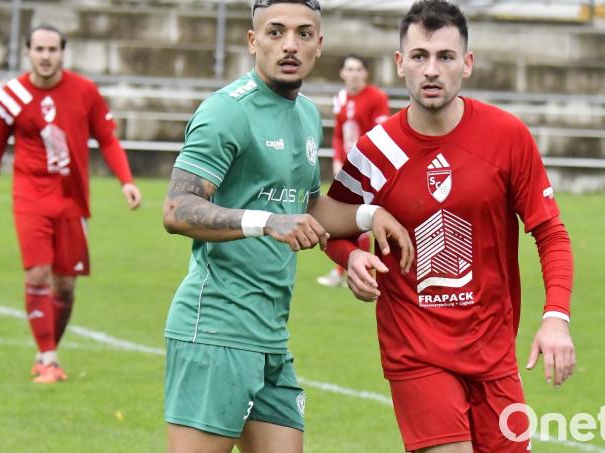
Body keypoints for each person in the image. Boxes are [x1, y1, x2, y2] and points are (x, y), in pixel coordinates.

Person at [324, 1, 576, 452]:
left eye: (446, 57)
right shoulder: (375, 151)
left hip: (493, 350)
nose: (432, 70)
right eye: (419, 56)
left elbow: (550, 232)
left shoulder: (507, 136)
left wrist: (556, 318)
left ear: (468, 64)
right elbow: (329, 221)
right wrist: (351, 255)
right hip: (415, 349)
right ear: (401, 64)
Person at [161, 1, 412, 452]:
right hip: (217, 329)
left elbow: (309, 207)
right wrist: (266, 222)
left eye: (303, 33)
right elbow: (177, 209)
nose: (290, 45)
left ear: (320, 45)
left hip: (271, 335)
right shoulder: (226, 111)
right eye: (275, 33)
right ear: (253, 41)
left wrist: (367, 217)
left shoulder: (306, 115)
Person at [0, 25, 142, 384]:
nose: (46, 56)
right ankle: (49, 358)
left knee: (65, 286)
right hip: (30, 196)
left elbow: (107, 139)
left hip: (72, 201)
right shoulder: (12, 95)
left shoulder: (85, 91)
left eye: (52, 49)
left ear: (63, 53)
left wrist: (126, 181)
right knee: (37, 274)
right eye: (39, 49)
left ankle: (46, 351)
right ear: (28, 52)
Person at [316, 54, 389, 287]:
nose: (354, 74)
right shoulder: (340, 98)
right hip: (348, 171)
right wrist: (338, 160)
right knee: (343, 220)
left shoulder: (377, 97)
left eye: (358, 69)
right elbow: (338, 133)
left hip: (368, 169)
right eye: (349, 69)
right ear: (342, 73)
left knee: (364, 222)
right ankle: (347, 272)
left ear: (365, 73)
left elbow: (381, 134)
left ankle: (356, 273)